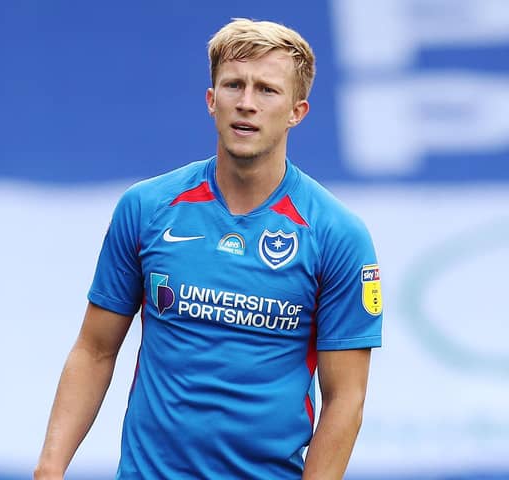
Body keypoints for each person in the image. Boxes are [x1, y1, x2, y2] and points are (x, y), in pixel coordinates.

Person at [35, 18, 382, 480]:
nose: (246, 103)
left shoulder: (337, 234)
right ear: (211, 100)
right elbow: (95, 349)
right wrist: (50, 467)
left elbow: (346, 399)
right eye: (234, 85)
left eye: (267, 90)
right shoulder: (147, 208)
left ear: (298, 111)